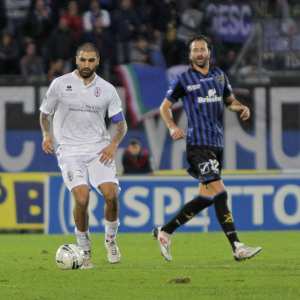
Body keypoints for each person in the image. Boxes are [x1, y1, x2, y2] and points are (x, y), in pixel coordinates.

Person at [152, 35, 261, 262]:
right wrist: (172, 126)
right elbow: (165, 107)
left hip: (216, 144)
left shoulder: (220, 76)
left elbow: (229, 101)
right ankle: (237, 247)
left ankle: (165, 231)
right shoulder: (183, 79)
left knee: (206, 198)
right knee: (221, 193)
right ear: (190, 55)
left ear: (209, 52)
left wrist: (241, 107)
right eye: (195, 50)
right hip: (198, 145)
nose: (199, 53)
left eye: (203, 49)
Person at [40, 42, 127, 269]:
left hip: (98, 149)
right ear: (76, 59)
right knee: (81, 198)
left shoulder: (107, 89)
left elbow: (121, 125)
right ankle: (85, 250)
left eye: (91, 60)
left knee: (111, 195)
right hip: (69, 151)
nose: (86, 64)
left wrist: (113, 146)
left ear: (97, 61)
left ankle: (110, 241)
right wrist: (46, 133)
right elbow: (45, 113)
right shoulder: (60, 84)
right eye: (82, 60)